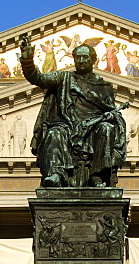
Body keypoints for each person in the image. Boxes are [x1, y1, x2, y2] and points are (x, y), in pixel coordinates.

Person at [19, 35, 127, 188]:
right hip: (67, 125)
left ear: (93, 60)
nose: (82, 61)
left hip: (93, 128)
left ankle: (96, 176)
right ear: (74, 60)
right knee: (54, 132)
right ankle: (57, 174)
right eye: (78, 57)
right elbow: (38, 79)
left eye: (85, 57)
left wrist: (111, 117)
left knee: (106, 128)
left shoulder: (104, 86)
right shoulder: (63, 78)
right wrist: (27, 60)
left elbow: (114, 113)